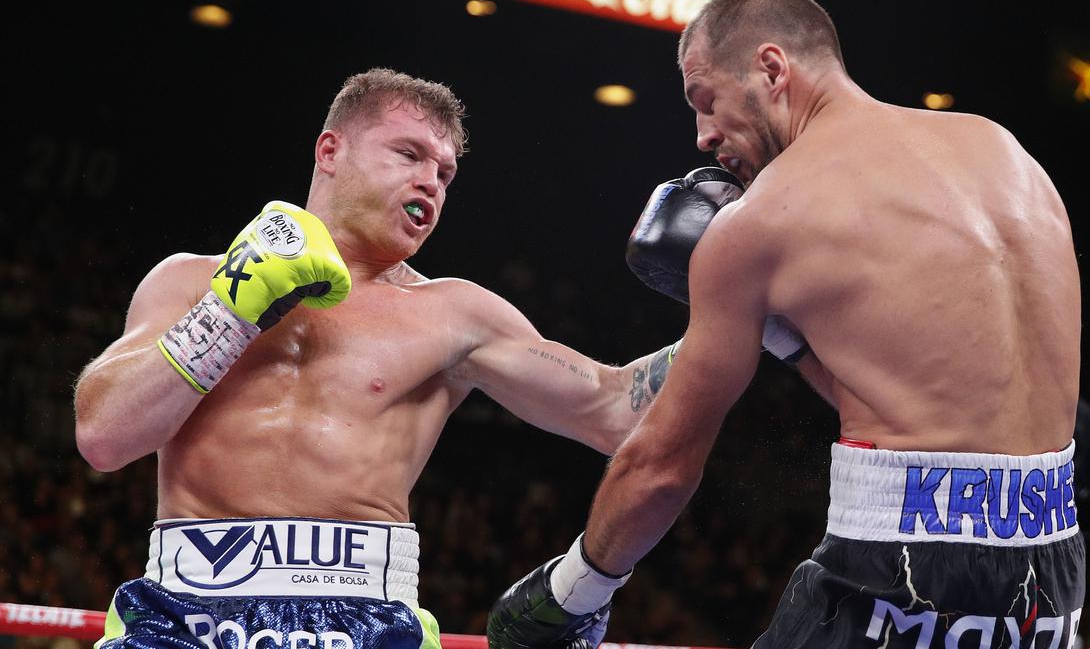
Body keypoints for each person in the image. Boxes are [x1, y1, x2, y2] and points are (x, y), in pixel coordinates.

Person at [488, 0, 1084, 649]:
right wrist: (783, 333)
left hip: (898, 570)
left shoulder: (761, 222)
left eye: (704, 100)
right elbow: (922, 402)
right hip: (1051, 575)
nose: (703, 135)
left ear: (772, 69)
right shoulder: (1004, 152)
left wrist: (575, 591)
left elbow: (660, 465)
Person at [72, 68, 684, 649]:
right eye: (410, 155)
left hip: (364, 617)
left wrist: (742, 298)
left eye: (446, 174)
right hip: (183, 614)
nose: (431, 183)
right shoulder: (188, 283)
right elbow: (104, 436)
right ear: (330, 151)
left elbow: (614, 409)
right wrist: (231, 309)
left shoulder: (453, 314)